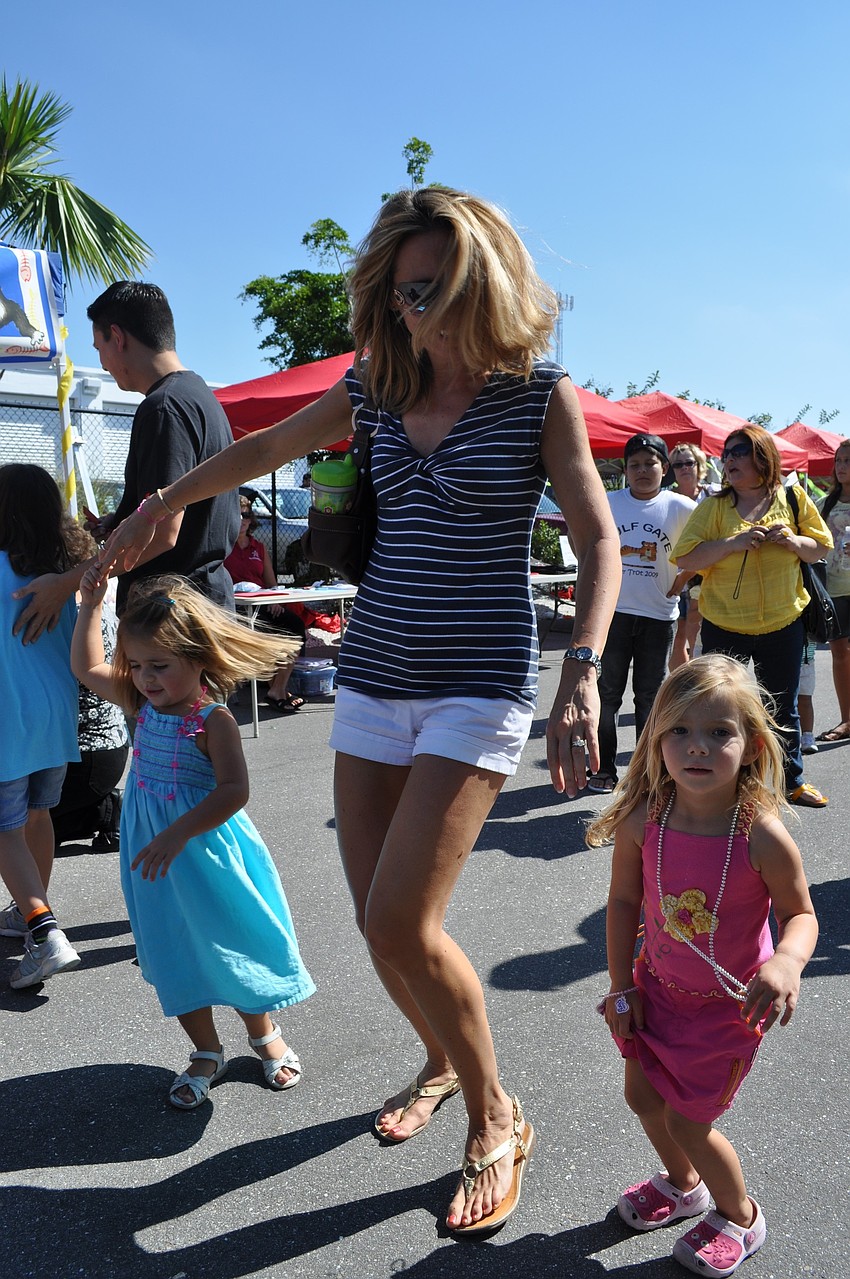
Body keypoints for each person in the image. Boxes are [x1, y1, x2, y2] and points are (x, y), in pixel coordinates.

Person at [94, 186, 621, 1233]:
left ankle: (496, 1113)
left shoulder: (537, 395)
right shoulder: (375, 385)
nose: (419, 310)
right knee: (379, 924)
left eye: (438, 288)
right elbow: (262, 450)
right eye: (404, 291)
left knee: (398, 918)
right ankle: (439, 1058)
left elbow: (597, 538)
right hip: (376, 674)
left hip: (477, 681)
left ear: (484, 283)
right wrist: (162, 501)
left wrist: (585, 671)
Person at [587, 655, 818, 1277]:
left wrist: (787, 961)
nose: (697, 747)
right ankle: (684, 1185)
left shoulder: (760, 836)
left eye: (719, 732)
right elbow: (624, 902)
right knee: (641, 1095)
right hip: (655, 990)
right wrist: (621, 987)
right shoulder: (644, 821)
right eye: (680, 731)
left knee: (690, 1121)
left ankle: (740, 1215)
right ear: (656, 738)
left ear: (752, 746)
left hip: (727, 1011)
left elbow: (801, 913)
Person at [71, 572, 315, 1109]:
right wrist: (90, 606)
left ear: (198, 658)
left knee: (231, 942)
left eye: (159, 665)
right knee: (173, 948)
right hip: (157, 863)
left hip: (208, 857)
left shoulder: (213, 721)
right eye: (136, 664)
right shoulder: (140, 703)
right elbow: (86, 668)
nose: (145, 677)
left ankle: (263, 1035)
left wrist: (177, 833)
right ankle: (207, 1051)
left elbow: (234, 791)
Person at [12, 281, 240, 640]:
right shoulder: (199, 397)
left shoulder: (163, 408)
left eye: (98, 347)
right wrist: (121, 523)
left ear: (117, 337)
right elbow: (180, 515)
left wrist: (65, 583)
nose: (101, 363)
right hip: (202, 609)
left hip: (173, 621)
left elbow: (162, 534)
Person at [672, 426, 831, 808]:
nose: (729, 459)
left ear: (763, 456)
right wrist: (733, 543)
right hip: (724, 625)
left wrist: (792, 540)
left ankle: (791, 782)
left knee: (782, 707)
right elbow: (686, 557)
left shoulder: (792, 497)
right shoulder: (714, 506)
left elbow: (820, 547)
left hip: (783, 623)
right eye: (726, 453)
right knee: (719, 708)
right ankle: (724, 784)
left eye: (739, 451)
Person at [0, 465, 81, 987]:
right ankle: (29, 910)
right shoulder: (61, 575)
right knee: (38, 815)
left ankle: (44, 931)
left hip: (7, 718)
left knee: (4, 830)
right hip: (55, 718)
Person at [589, 434, 694, 794]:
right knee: (607, 694)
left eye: (650, 463)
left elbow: (704, 545)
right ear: (625, 470)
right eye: (634, 464)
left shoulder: (680, 506)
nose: (642, 470)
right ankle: (603, 767)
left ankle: (646, 773)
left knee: (649, 697)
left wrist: (682, 580)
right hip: (614, 613)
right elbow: (582, 535)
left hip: (659, 617)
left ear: (664, 468)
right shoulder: (609, 502)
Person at [50, 521, 129, 851]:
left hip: (87, 755)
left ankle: (103, 809)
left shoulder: (72, 615)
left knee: (24, 826)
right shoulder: (93, 606)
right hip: (107, 749)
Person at [224, 494, 306, 712]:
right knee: (261, 632)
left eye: (246, 515)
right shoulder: (223, 546)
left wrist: (275, 600)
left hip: (262, 604)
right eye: (237, 515)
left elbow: (271, 583)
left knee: (295, 626)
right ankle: (277, 691)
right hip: (237, 608)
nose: (242, 520)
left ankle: (277, 689)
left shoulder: (258, 547)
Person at [815, 440, 850, 742]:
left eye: (848, 461)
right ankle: (846, 720)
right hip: (833, 589)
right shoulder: (824, 504)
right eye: (838, 461)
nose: (841, 467)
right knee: (840, 653)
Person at [668, 443, 710, 669]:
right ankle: (679, 683)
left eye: (689, 463)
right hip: (673, 573)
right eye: (678, 464)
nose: (684, 468)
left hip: (706, 572)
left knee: (696, 629)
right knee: (677, 634)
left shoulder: (714, 495)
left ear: (699, 465)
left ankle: (696, 677)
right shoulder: (667, 499)